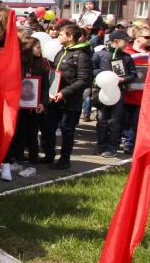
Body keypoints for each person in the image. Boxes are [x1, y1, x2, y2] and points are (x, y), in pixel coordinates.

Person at [42, 24, 91, 169]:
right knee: (48, 127)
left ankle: (64, 160)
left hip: (70, 101)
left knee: (66, 130)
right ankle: (49, 155)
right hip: (54, 98)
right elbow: (57, 70)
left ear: (70, 37)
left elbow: (84, 80)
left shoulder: (81, 56)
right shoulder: (62, 51)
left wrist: (64, 93)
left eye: (61, 34)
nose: (58, 36)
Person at [91, 29, 136, 157]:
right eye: (125, 41)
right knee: (101, 120)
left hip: (118, 93)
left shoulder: (126, 57)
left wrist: (123, 79)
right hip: (103, 92)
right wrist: (104, 75)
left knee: (115, 121)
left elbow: (133, 75)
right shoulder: (100, 54)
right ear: (115, 41)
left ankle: (112, 147)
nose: (127, 44)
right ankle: (101, 145)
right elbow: (91, 69)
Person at [7, 36, 50, 166]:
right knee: (18, 131)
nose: (40, 49)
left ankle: (33, 158)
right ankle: (18, 157)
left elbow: (45, 86)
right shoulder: (18, 63)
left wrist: (43, 102)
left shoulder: (42, 63)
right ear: (28, 48)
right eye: (37, 47)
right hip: (19, 105)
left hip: (35, 106)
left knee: (32, 132)